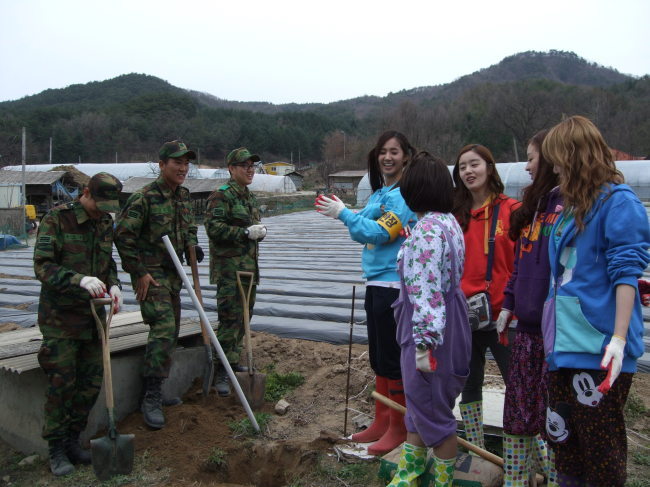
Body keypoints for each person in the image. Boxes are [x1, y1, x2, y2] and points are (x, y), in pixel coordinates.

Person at [541, 115, 650, 487]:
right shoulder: (572, 206)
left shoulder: (619, 202)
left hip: (598, 349)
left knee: (602, 455)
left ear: (575, 156)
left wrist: (618, 339)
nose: (554, 168)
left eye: (558, 159)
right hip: (564, 346)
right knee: (565, 444)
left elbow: (626, 273)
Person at [315, 130, 417, 456]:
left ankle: (398, 427)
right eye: (383, 151)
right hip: (375, 282)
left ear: (406, 157)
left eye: (394, 152)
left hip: (393, 285)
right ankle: (381, 420)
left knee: (392, 359)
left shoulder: (403, 197)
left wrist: (344, 214)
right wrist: (347, 213)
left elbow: (377, 232)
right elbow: (361, 226)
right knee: (379, 357)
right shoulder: (381, 194)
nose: (387, 157)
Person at [388, 152, 471, 487]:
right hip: (452, 320)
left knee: (434, 413)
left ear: (414, 190)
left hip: (431, 332)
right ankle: (408, 474)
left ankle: (441, 482)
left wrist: (424, 344)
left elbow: (426, 293)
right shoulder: (448, 222)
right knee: (421, 405)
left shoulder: (426, 231)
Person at [34, 172, 123, 476]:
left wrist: (114, 284)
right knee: (62, 383)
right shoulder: (57, 220)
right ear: (85, 193)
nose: (101, 212)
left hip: (92, 319)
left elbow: (107, 261)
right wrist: (79, 280)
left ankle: (73, 439)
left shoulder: (104, 222)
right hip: (60, 319)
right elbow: (43, 266)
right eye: (99, 204)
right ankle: (56, 447)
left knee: (90, 383)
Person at [115, 140, 201, 430]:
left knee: (171, 331)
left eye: (186, 163)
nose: (183, 168)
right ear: (162, 165)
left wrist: (193, 244)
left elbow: (189, 227)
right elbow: (123, 236)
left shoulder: (183, 196)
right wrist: (138, 272)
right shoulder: (144, 198)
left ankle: (158, 389)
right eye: (177, 162)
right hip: (151, 275)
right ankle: (149, 396)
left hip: (174, 274)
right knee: (163, 328)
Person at [499, 130, 560, 486]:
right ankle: (516, 480)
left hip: (555, 335)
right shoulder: (533, 209)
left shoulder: (567, 209)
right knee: (518, 415)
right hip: (526, 330)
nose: (526, 166)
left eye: (532, 157)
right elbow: (519, 266)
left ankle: (554, 476)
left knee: (555, 419)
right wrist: (508, 303)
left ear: (551, 160)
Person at [452, 143, 519, 450]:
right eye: (462, 166)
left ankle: (525, 454)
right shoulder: (454, 216)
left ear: (490, 168)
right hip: (466, 315)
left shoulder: (512, 210)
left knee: (518, 385)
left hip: (505, 316)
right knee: (469, 383)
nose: (468, 171)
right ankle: (476, 448)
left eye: (474, 164)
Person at [205, 147, 266, 397]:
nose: (250, 170)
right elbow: (214, 229)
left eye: (252, 166)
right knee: (229, 319)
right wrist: (244, 232)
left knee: (243, 317)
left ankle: (232, 361)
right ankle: (221, 370)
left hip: (249, 268)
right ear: (231, 169)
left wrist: (259, 232)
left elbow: (252, 229)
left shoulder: (249, 198)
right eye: (245, 166)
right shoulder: (222, 196)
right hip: (230, 271)